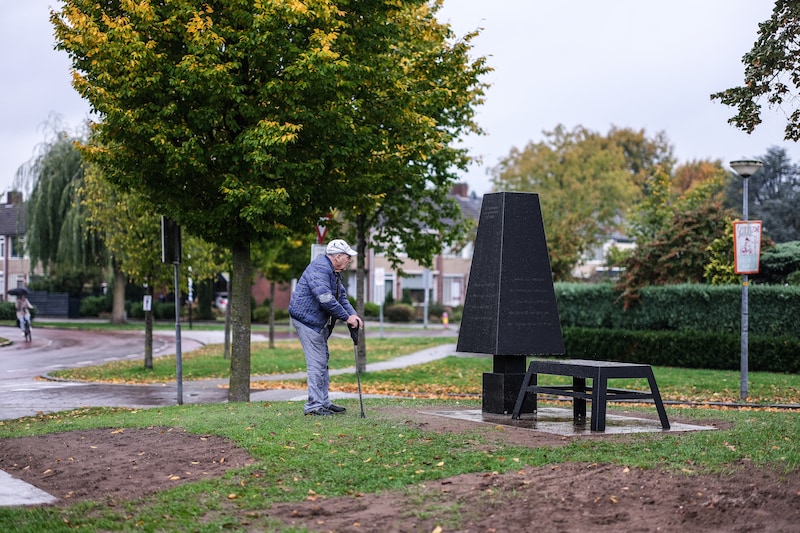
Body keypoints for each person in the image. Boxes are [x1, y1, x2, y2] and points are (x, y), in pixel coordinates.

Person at [289, 239, 364, 416]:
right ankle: (314, 406)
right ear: (337, 257)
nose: (349, 261)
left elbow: (342, 298)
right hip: (307, 320)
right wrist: (347, 318)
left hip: (317, 321)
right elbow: (326, 299)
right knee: (317, 362)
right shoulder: (319, 269)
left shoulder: (333, 272)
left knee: (323, 360)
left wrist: (353, 316)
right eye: (347, 257)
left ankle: (323, 401)